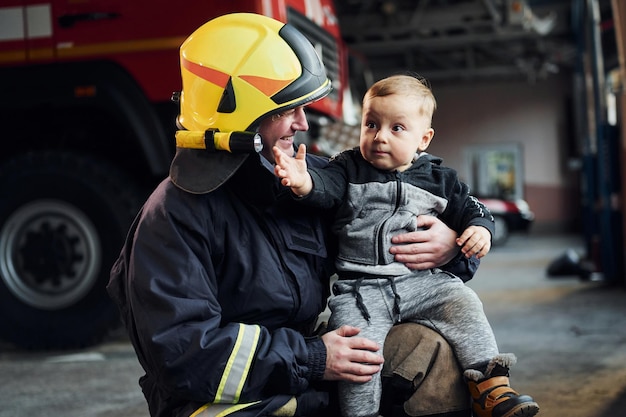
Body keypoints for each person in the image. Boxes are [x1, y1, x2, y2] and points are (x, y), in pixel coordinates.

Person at [107, 13, 476, 417]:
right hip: (229, 402)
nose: (303, 123)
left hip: (304, 373)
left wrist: (449, 248)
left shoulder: (301, 178)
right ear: (240, 112)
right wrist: (315, 357)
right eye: (288, 109)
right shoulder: (171, 218)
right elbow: (184, 356)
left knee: (428, 348)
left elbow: (377, 237)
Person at [273, 74, 540, 417]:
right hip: (361, 290)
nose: (379, 136)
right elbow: (324, 188)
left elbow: (473, 208)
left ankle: (491, 387)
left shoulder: (440, 179)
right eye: (371, 124)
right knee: (358, 356)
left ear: (423, 139)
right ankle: (361, 413)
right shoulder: (347, 167)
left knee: (463, 302)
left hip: (422, 282)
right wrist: (303, 181)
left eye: (396, 128)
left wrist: (480, 229)